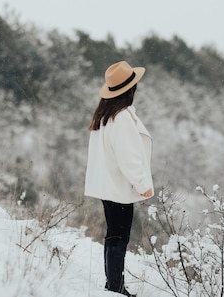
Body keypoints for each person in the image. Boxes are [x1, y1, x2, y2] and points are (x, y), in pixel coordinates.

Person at [85, 60, 154, 297]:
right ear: (129, 90)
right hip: (119, 185)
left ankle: (113, 284)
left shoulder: (105, 115)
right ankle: (115, 287)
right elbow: (129, 157)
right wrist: (142, 184)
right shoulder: (121, 117)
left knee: (114, 232)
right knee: (119, 235)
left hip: (108, 184)